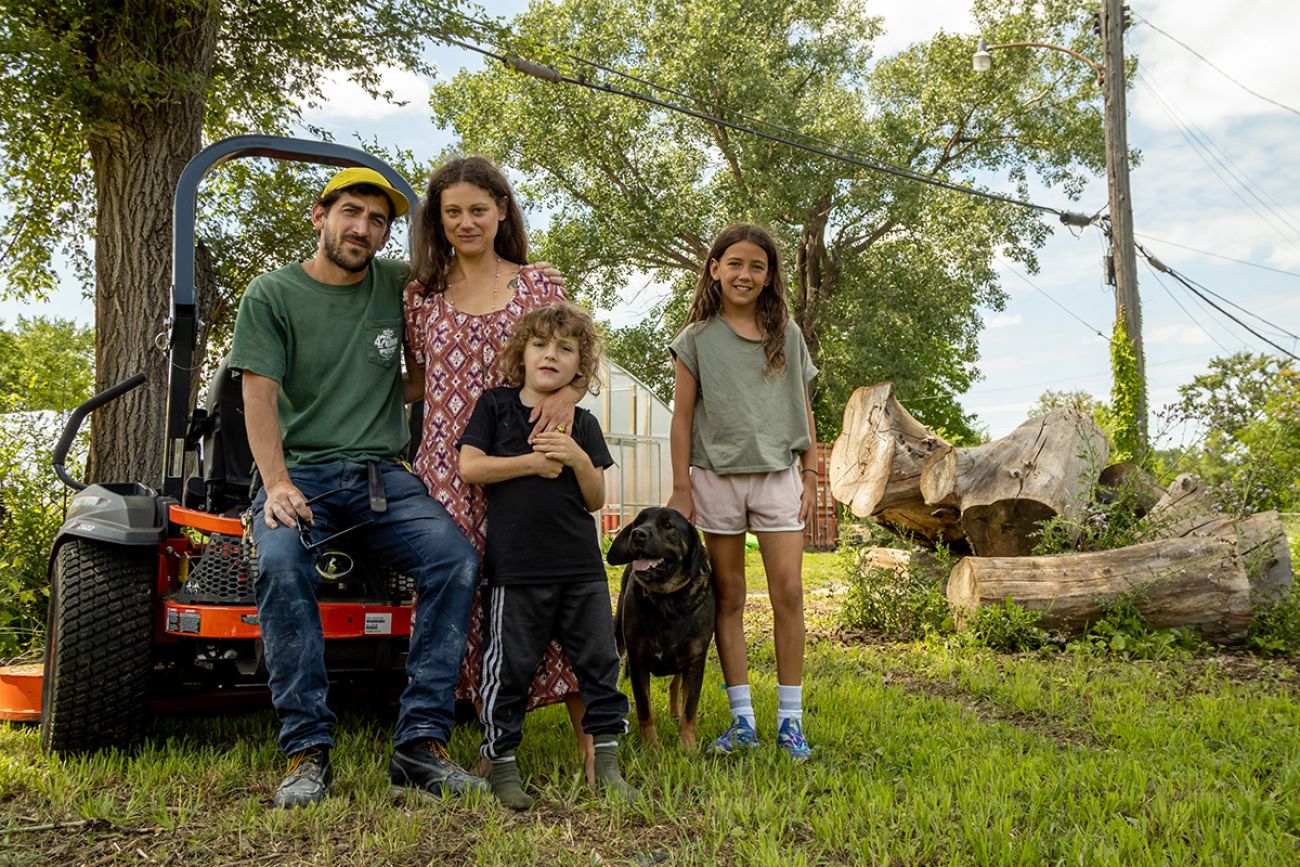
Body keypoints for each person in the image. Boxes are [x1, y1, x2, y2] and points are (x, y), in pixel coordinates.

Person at [229, 167, 487, 808]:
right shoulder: (272, 294)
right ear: (320, 216)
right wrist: (278, 484)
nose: (363, 229)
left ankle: (421, 744)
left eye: (378, 221)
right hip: (302, 474)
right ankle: (306, 750)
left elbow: (482, 283)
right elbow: (256, 396)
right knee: (283, 565)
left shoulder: (398, 284)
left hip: (383, 476)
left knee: (455, 560)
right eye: (350, 212)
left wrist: (537, 286)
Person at [403, 156, 594, 779]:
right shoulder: (421, 295)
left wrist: (571, 395)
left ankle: (594, 745)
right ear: (437, 219)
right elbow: (419, 383)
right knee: (473, 598)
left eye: (477, 209)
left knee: (558, 591)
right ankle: (492, 744)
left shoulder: (539, 285)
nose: (465, 222)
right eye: (452, 212)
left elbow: (573, 355)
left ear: (502, 211)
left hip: (533, 459)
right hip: (452, 468)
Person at [457, 303, 636, 809]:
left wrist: (578, 458)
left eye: (565, 348)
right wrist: (533, 463)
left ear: (580, 365)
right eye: (540, 345)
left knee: (601, 664)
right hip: (516, 570)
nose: (550, 355)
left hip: (581, 569)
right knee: (508, 668)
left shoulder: (584, 422)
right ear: (522, 353)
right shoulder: (495, 406)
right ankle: (502, 764)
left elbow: (597, 498)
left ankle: (606, 761)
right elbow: (471, 468)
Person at [665, 224, 818, 761]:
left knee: (789, 594)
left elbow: (803, 405)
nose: (745, 274)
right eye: (734, 264)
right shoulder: (696, 339)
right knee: (728, 596)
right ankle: (742, 720)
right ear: (714, 269)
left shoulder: (788, 334)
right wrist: (682, 487)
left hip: (777, 475)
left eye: (757, 266)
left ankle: (791, 723)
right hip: (715, 478)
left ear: (770, 275)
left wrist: (812, 473)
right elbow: (682, 417)